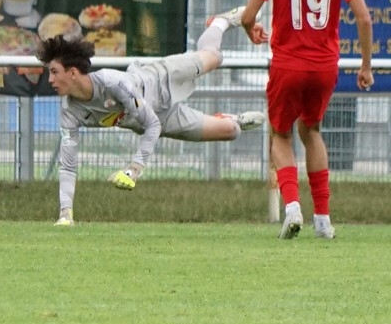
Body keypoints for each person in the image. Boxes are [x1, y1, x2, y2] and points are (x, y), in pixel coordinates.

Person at [38, 13, 266, 226]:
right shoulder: (70, 111)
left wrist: (134, 169)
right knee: (231, 131)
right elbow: (68, 165)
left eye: (54, 71)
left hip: (163, 78)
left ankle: (221, 21)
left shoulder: (113, 82)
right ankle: (228, 119)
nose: (50, 80)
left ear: (73, 72)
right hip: (161, 119)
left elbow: (151, 124)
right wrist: (65, 214)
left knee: (215, 57)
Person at [240, 0, 373, 240]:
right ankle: (324, 220)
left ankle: (292, 209)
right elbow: (364, 19)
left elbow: (249, 15)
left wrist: (251, 28)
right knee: (311, 131)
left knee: (281, 134)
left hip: (288, 64)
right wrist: (365, 66)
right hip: (324, 66)